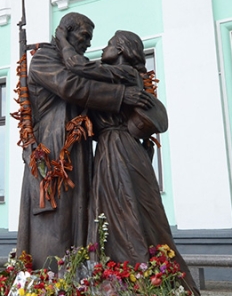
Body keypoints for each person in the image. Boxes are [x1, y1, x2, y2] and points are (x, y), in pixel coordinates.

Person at [61, 29, 203, 296]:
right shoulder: (114, 78)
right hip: (110, 149)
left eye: (109, 45)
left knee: (125, 209)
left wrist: (61, 39)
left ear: (122, 51)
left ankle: (140, 286)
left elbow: (77, 66)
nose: (103, 49)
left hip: (120, 150)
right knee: (112, 212)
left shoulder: (125, 73)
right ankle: (122, 284)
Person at [17, 13, 154, 270]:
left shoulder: (75, 61)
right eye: (85, 36)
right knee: (56, 219)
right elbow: (71, 86)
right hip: (54, 148)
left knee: (81, 216)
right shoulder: (45, 58)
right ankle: (49, 285)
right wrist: (122, 95)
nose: (90, 44)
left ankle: (77, 283)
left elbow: (86, 80)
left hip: (77, 149)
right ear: (67, 31)